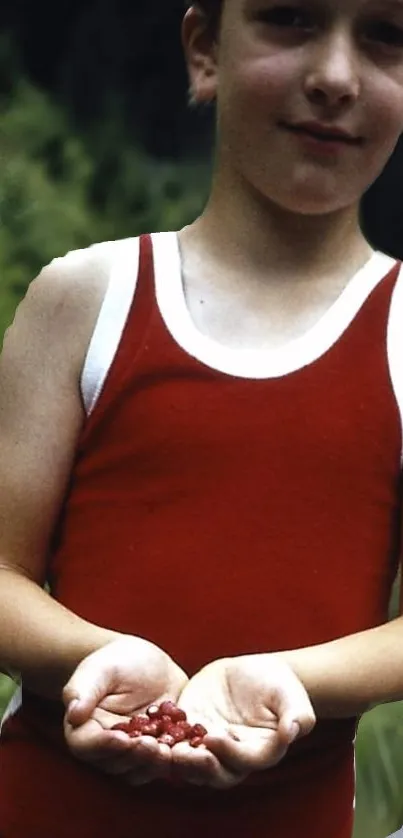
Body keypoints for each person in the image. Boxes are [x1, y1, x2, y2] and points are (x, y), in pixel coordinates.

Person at [1, 0, 403, 835]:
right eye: (289, 19)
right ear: (203, 50)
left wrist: (290, 679)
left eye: (387, 36)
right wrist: (92, 656)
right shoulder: (86, 299)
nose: (334, 76)